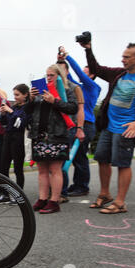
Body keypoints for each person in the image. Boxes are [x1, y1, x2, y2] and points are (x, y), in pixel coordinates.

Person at [83, 41, 135, 214]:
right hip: (108, 126)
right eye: (122, 56)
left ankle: (120, 202)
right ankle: (105, 194)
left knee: (122, 164)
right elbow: (96, 68)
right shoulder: (119, 74)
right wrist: (88, 49)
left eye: (127, 57)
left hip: (127, 128)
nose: (123, 60)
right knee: (102, 158)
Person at [26, 64, 78, 214]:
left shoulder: (67, 91)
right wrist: (31, 98)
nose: (48, 78)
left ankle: (54, 201)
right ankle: (42, 199)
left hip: (57, 135)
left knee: (55, 169)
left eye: (51, 75)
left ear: (59, 77)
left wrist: (54, 100)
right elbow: (27, 111)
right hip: (39, 135)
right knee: (41, 170)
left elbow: (73, 108)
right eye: (47, 75)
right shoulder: (41, 92)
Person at [57, 46, 102, 197]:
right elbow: (65, 76)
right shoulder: (77, 87)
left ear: (93, 75)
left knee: (79, 156)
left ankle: (82, 186)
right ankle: (77, 184)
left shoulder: (93, 87)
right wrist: (60, 61)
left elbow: (78, 74)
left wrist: (68, 57)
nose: (82, 73)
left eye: (86, 71)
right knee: (74, 156)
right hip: (74, 124)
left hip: (86, 125)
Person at [56, 59, 86, 203]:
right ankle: (54, 190)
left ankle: (62, 192)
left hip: (70, 127)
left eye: (62, 70)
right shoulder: (51, 87)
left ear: (67, 72)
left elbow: (80, 110)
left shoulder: (75, 88)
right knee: (54, 161)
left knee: (63, 162)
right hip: (55, 129)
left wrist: (80, 129)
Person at [0, 84, 31, 198]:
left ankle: (19, 194)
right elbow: (4, 123)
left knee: (18, 168)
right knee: (4, 167)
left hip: (19, 138)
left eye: (17, 95)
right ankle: (4, 193)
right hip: (8, 136)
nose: (15, 97)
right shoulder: (15, 107)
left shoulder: (27, 108)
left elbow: (20, 123)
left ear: (25, 95)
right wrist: (3, 114)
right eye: (14, 95)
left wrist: (10, 112)